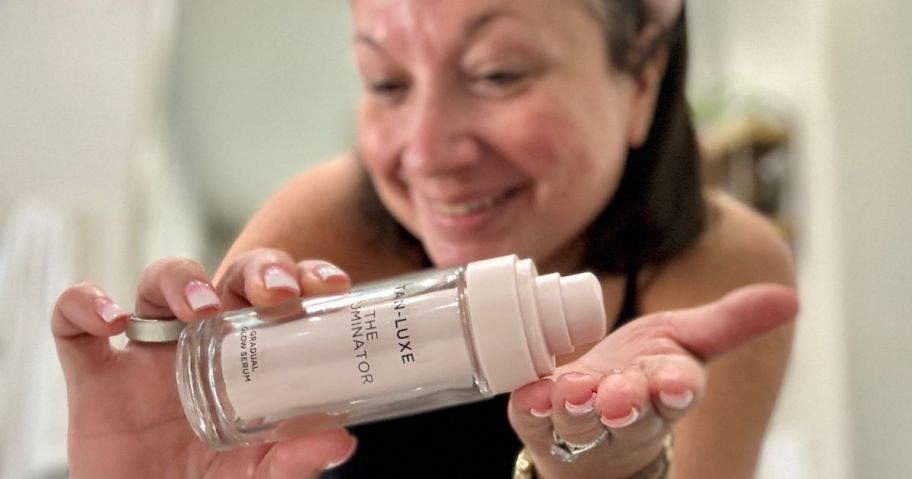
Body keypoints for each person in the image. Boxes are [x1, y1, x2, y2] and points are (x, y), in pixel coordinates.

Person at [52, 0, 798, 477]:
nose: (427, 152)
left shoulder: (722, 264)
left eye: (497, 74)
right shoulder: (325, 232)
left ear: (641, 80)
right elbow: (188, 445)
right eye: (386, 82)